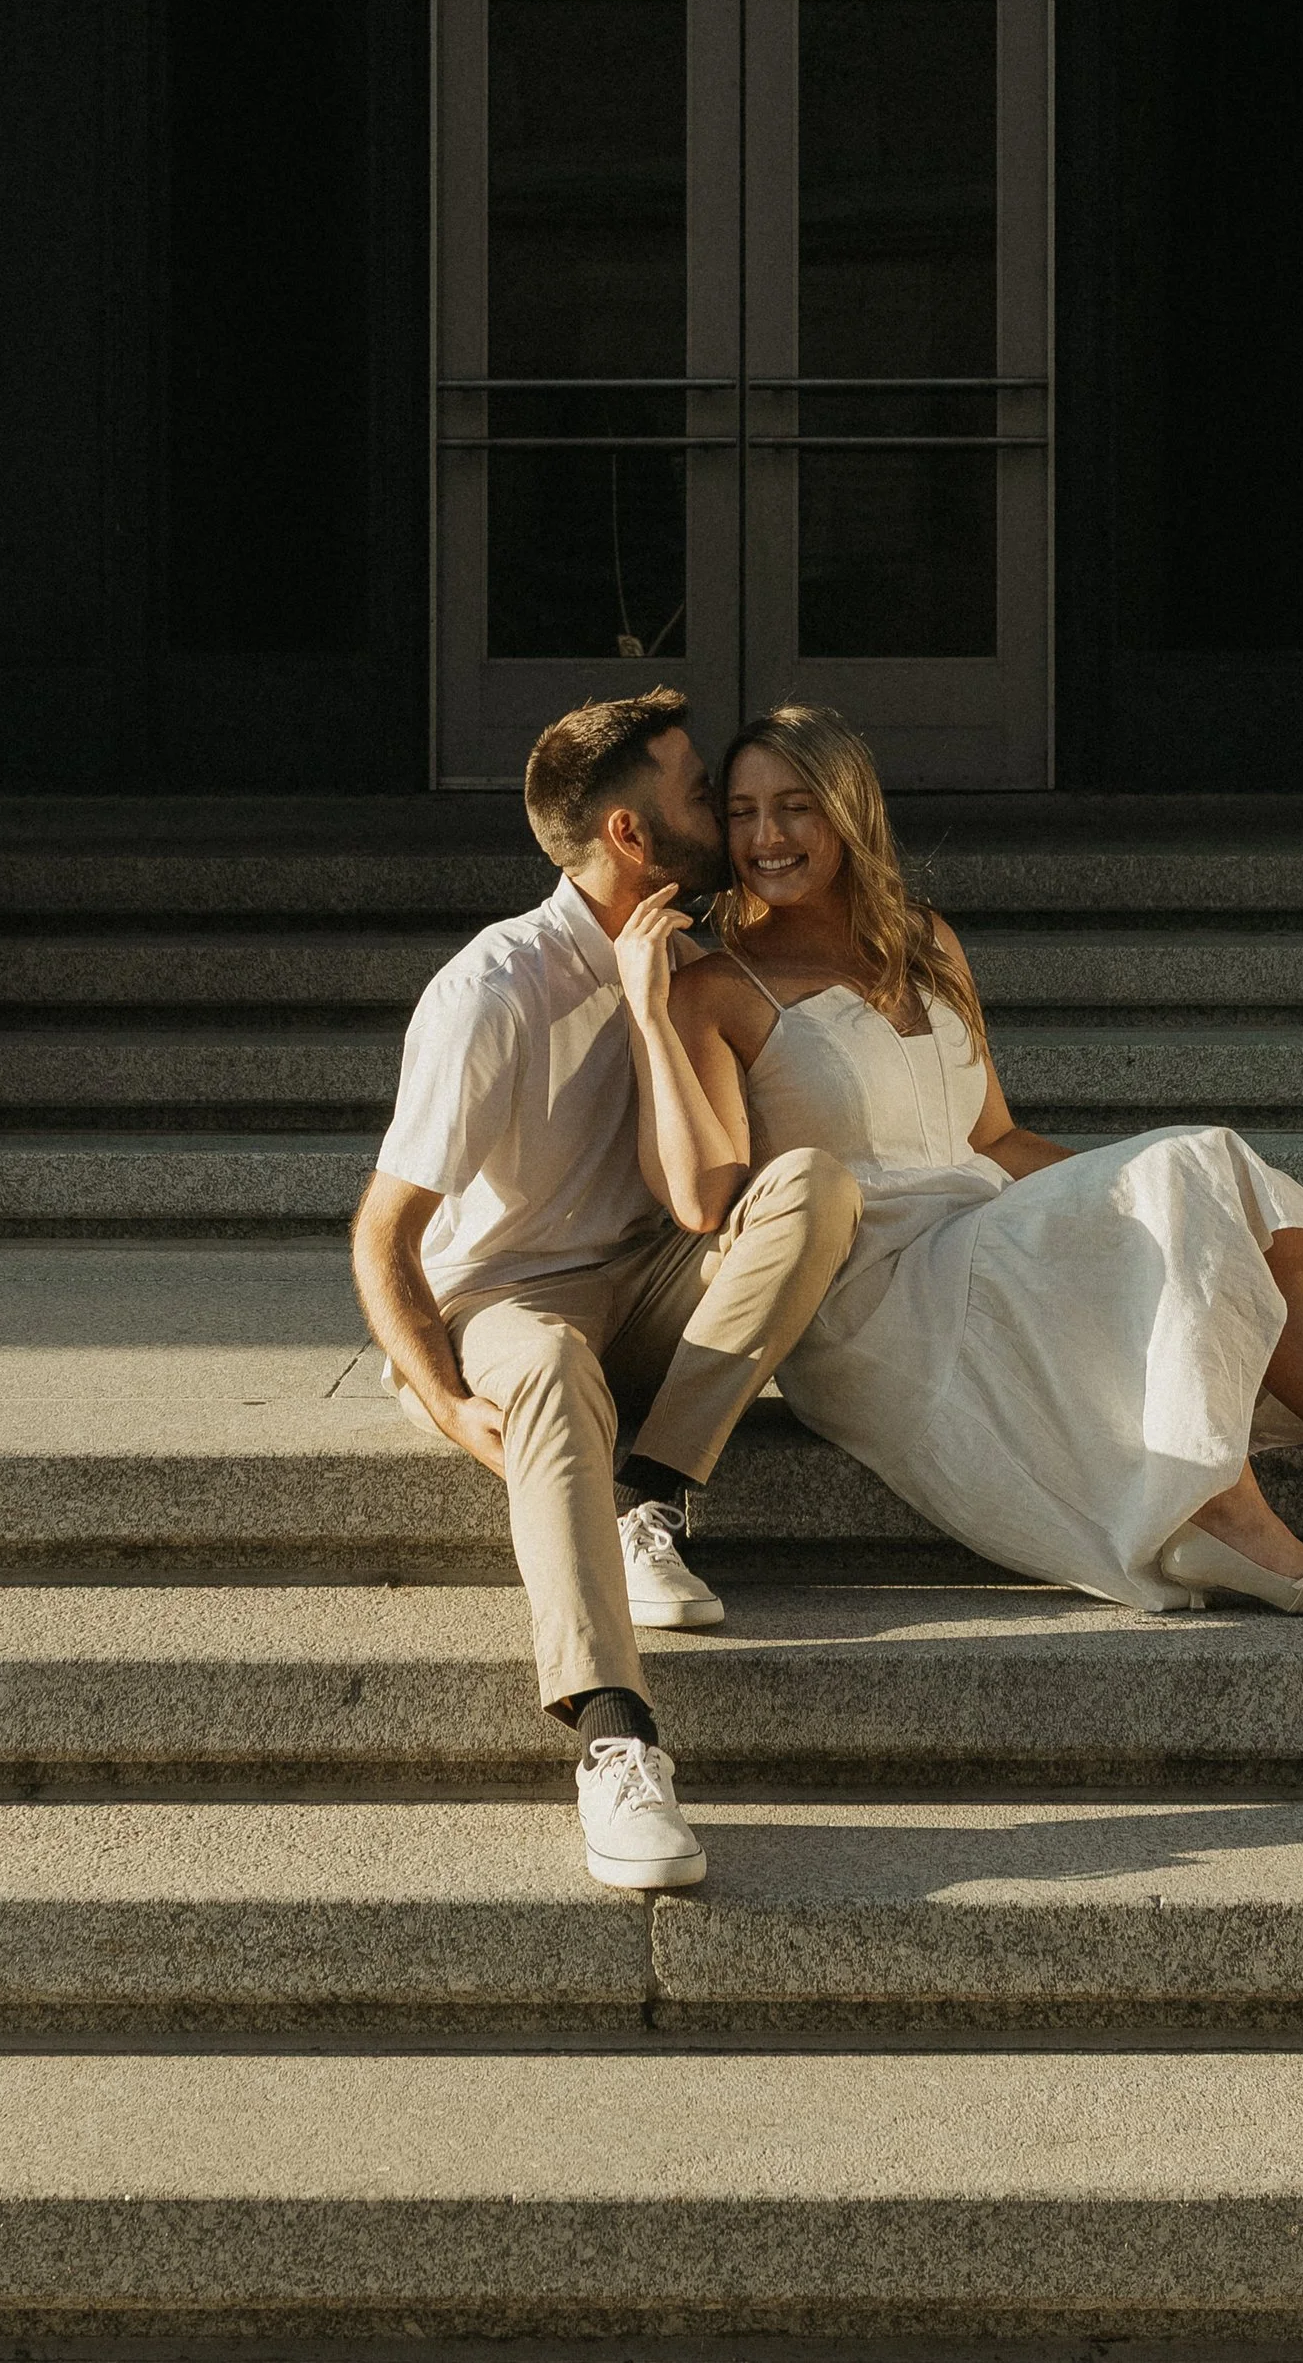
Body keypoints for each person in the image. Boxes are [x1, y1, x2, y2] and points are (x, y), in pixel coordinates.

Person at [628, 701, 1303, 1618]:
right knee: (1197, 1166)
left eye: (795, 808)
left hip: (982, 1232)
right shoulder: (715, 991)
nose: (766, 839)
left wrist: (1152, 1204)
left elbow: (992, 1140)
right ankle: (1223, 1511)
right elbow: (705, 1199)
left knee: (1219, 1180)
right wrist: (648, 1009)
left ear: (848, 813)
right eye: (746, 813)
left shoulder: (923, 943)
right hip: (876, 1288)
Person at [351, 690, 861, 1896]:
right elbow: (383, 1237)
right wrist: (447, 1396)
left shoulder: (694, 952)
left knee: (814, 1188)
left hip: (649, 1287)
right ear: (631, 834)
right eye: (701, 797)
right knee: (547, 1367)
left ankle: (651, 1493)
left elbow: (715, 1194)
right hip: (508, 1301)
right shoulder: (492, 987)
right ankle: (614, 1739)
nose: (730, 822)